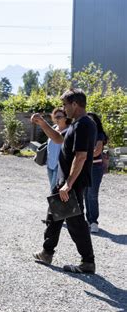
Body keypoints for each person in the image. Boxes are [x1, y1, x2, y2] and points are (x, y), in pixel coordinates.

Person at [31, 88, 97, 274]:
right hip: (65, 180)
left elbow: (81, 156)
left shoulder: (85, 124)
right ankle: (47, 251)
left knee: (76, 222)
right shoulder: (75, 124)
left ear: (75, 104)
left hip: (72, 182)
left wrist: (68, 183)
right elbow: (59, 139)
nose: (63, 108)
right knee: (53, 215)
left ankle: (88, 262)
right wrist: (43, 123)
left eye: (65, 105)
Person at [85, 112, 108, 233]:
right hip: (83, 167)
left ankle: (94, 222)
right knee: (85, 194)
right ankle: (88, 219)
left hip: (95, 168)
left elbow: (97, 152)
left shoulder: (99, 135)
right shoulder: (82, 133)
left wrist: (81, 154)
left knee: (92, 195)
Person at [46, 108, 71, 192]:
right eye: (55, 117)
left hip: (60, 165)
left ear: (66, 118)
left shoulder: (69, 131)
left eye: (59, 117)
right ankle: (56, 205)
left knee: (54, 189)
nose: (57, 119)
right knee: (53, 188)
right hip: (50, 164)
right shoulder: (53, 128)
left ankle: (52, 205)